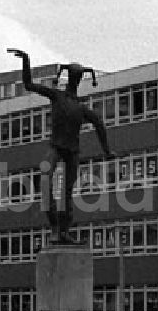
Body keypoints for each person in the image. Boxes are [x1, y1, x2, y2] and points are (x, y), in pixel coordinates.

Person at [7, 48, 115, 244]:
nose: (74, 79)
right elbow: (29, 84)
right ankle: (56, 227)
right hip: (57, 147)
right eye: (73, 75)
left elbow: (99, 123)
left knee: (66, 194)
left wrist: (107, 151)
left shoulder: (80, 107)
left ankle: (63, 230)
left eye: (77, 76)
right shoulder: (57, 96)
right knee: (46, 179)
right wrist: (26, 61)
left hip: (71, 151)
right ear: (69, 77)